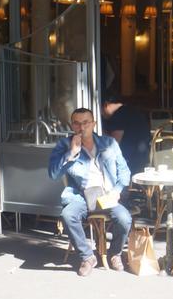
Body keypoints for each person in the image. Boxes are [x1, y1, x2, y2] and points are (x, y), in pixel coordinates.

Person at [48, 107, 132, 278]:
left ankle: (114, 253)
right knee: (68, 214)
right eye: (77, 123)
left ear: (93, 124)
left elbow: (125, 172)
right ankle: (87, 257)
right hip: (81, 195)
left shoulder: (109, 143)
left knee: (124, 219)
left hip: (107, 195)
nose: (82, 127)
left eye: (86, 122)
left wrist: (116, 191)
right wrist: (71, 153)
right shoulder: (64, 145)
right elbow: (53, 174)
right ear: (72, 125)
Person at [101, 92, 150, 176]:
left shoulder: (118, 115)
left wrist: (99, 132)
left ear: (106, 105)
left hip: (129, 161)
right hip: (143, 157)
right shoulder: (131, 110)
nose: (101, 114)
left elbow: (113, 143)